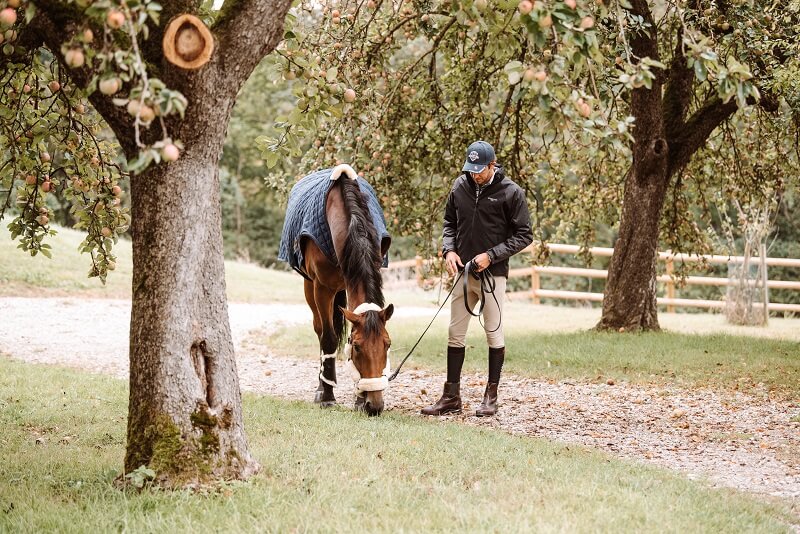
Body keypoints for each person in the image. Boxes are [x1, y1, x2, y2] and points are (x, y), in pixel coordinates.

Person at [421, 140, 533, 417]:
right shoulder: (460, 187)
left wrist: (492, 255)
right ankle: (451, 396)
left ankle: (490, 397)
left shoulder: (511, 193)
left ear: (492, 165)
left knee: (493, 332)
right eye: (470, 169)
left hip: (492, 275)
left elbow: (524, 235)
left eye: (479, 170)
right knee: (454, 332)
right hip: (462, 272)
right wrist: (448, 251)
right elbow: (449, 223)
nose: (474, 175)